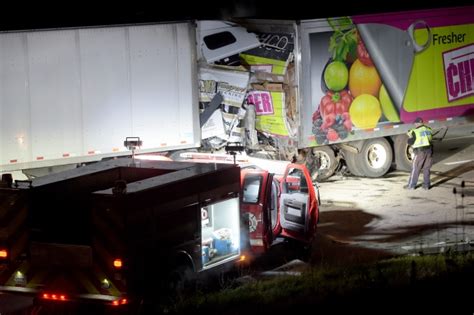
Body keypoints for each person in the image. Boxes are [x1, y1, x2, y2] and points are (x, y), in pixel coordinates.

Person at [405, 117, 433, 190]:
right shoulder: (428, 129)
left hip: (420, 152)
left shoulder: (415, 131)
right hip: (429, 151)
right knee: (426, 168)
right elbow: (430, 139)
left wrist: (410, 137)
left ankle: (411, 186)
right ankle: (426, 185)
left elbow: (410, 142)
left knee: (415, 168)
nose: (415, 125)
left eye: (415, 124)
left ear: (417, 123)